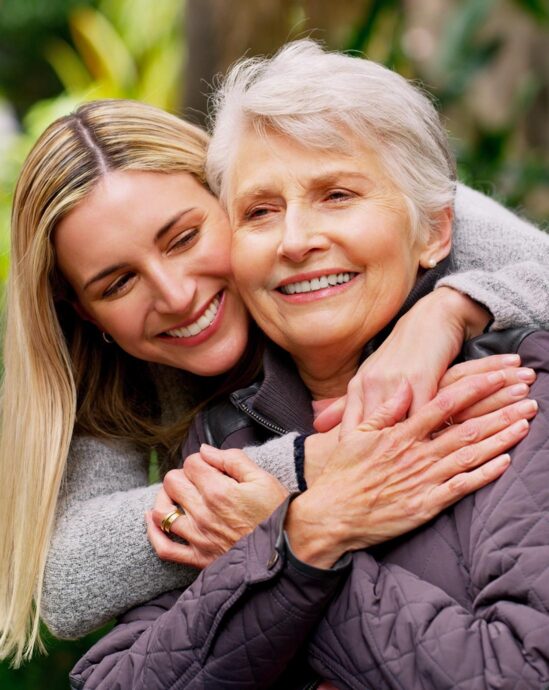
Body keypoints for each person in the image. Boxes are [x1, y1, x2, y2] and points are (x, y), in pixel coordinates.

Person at [0, 87, 545, 666]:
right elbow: (67, 580)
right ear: (86, 312)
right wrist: (311, 475)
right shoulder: (118, 376)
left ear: (235, 199)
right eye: (117, 284)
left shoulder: (371, 210)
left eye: (184, 238)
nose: (177, 295)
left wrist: (450, 308)